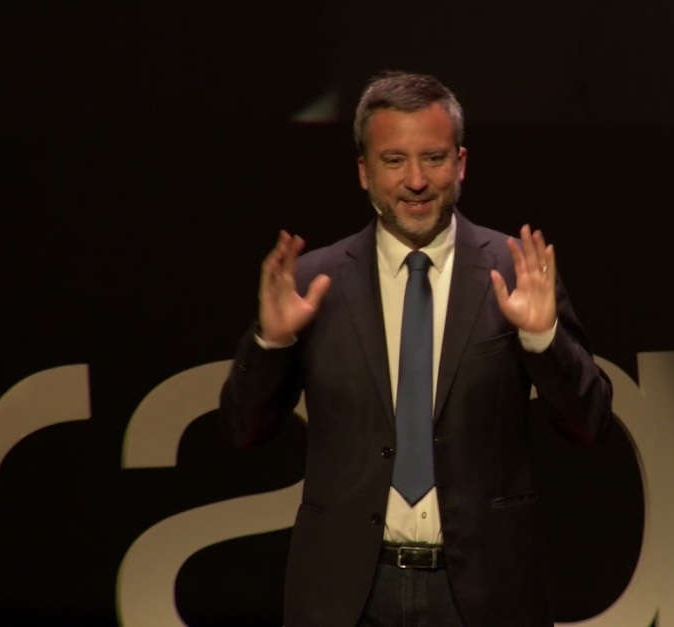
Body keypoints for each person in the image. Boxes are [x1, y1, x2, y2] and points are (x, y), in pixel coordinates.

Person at [220, 71, 614, 627]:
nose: (416, 181)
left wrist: (541, 338)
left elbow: (589, 422)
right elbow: (243, 429)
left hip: (485, 593)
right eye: (393, 160)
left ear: (461, 163)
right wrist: (273, 342)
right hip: (346, 596)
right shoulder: (313, 282)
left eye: (433, 158)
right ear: (364, 171)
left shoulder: (513, 271)